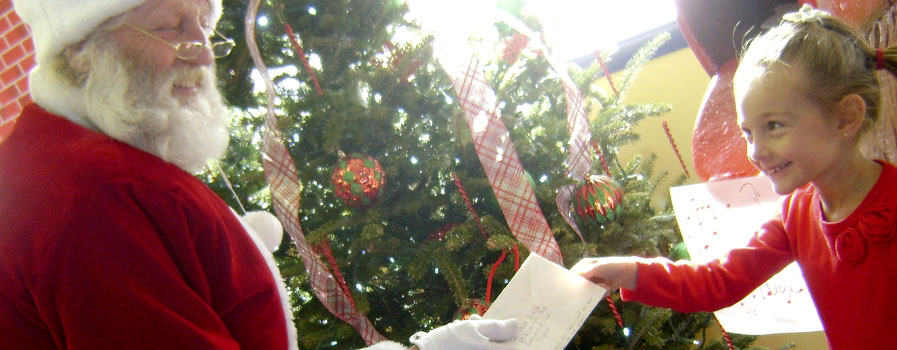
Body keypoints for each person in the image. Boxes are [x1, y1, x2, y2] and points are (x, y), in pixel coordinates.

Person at [0, 0, 516, 349]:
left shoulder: (83, 160)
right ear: (79, 53)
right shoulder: (97, 196)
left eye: (204, 22)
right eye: (169, 25)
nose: (202, 52)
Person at [572, 5, 897, 349]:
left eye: (774, 126)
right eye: (748, 132)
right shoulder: (795, 216)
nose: (756, 151)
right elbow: (719, 281)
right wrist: (633, 270)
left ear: (845, 118)